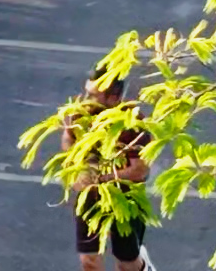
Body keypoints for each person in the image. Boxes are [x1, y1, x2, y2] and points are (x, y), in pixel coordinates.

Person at [60, 72, 153, 271]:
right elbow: (68, 139)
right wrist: (77, 169)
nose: (87, 99)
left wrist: (102, 179)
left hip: (125, 198)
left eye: (94, 95)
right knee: (89, 261)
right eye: (87, 92)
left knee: (127, 263)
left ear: (114, 97)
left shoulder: (133, 124)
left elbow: (140, 170)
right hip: (91, 196)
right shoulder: (81, 113)